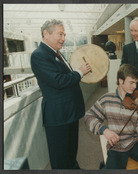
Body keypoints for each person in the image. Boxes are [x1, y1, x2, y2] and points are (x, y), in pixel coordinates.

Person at [30, 19, 92, 169]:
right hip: (58, 117)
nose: (64, 38)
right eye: (60, 34)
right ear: (46, 34)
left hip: (69, 113)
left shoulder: (56, 53)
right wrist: (79, 72)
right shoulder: (38, 55)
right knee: (59, 158)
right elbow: (58, 81)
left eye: (64, 34)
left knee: (70, 153)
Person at [84, 64, 138, 169]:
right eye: (131, 83)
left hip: (135, 140)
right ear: (121, 81)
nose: (135, 87)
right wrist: (104, 130)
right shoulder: (107, 98)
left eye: (136, 83)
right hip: (117, 144)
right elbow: (89, 116)